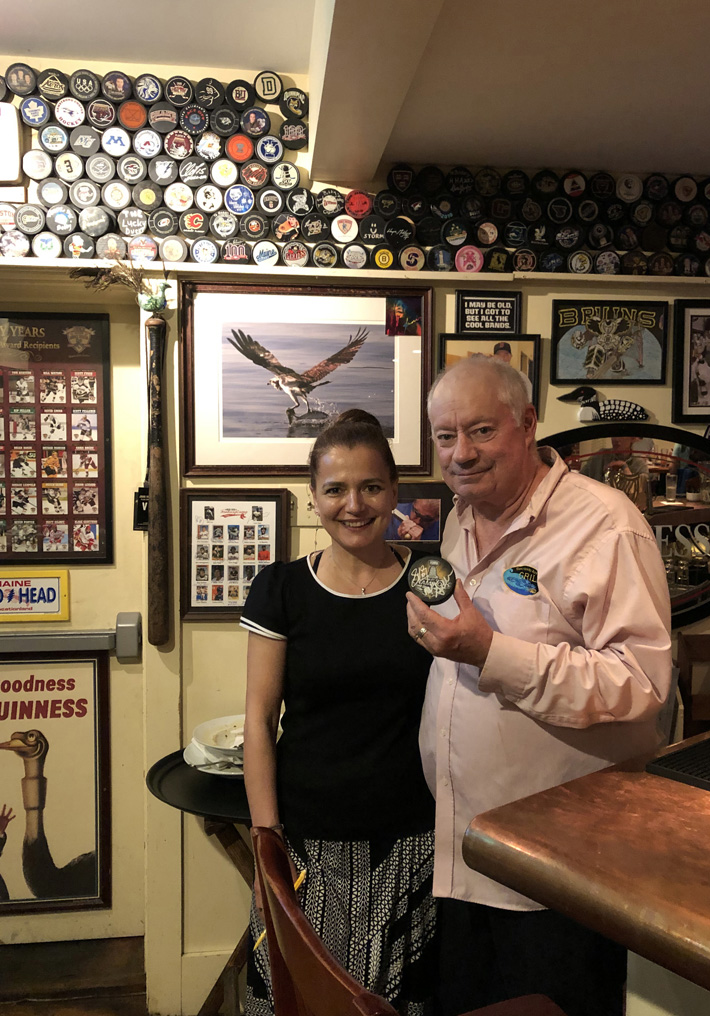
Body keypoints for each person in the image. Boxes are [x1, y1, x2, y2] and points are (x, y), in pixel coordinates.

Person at [405, 356, 672, 1016]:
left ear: (526, 426)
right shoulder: (459, 518)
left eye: (480, 431)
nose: (460, 454)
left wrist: (489, 652)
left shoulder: (606, 526)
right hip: (467, 851)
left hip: (560, 872)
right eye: (445, 436)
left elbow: (640, 683)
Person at [240, 408, 438, 1016]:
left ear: (394, 492)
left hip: (412, 839)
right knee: (295, 999)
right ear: (314, 497)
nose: (354, 504)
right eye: (336, 489)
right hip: (307, 842)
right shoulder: (281, 588)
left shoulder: (431, 580)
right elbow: (256, 717)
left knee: (392, 1003)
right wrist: (266, 840)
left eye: (371, 486)